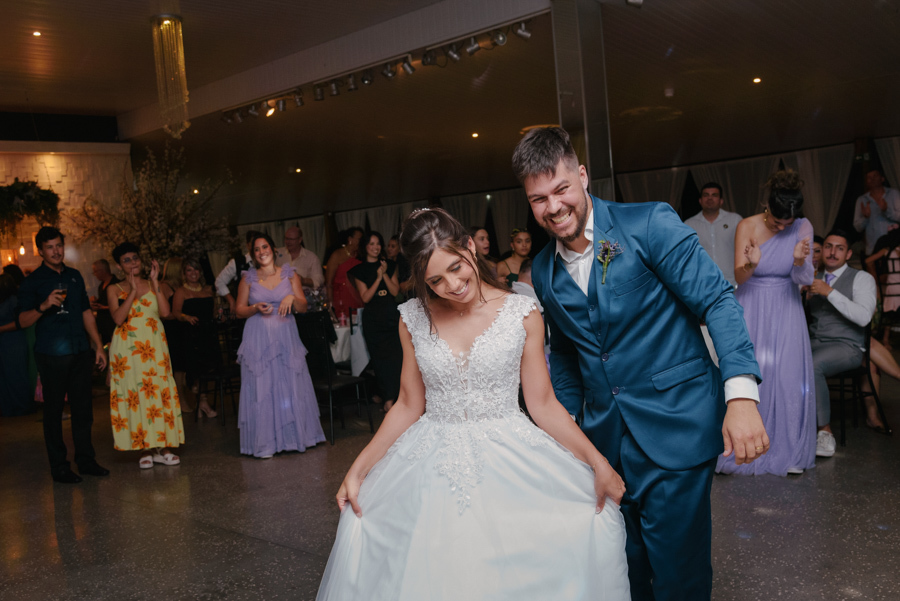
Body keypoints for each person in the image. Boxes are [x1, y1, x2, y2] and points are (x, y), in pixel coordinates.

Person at [317, 208, 630, 601]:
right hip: (430, 465)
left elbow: (544, 404)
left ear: (469, 247)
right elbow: (409, 404)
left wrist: (598, 463)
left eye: (455, 268)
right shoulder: (412, 317)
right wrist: (358, 469)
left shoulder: (522, 312)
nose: (452, 285)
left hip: (510, 457)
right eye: (435, 280)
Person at [515, 127, 764, 600]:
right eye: (538, 199)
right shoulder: (544, 271)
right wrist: (568, 420)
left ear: (583, 176)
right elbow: (568, 353)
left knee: (677, 576)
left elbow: (717, 301)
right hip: (605, 443)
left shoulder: (648, 223)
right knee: (625, 571)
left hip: (677, 423)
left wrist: (742, 395)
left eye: (561, 189)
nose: (553, 207)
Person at [723, 168, 815, 476]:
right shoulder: (746, 225)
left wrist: (800, 260)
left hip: (787, 306)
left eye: (786, 223)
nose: (781, 227)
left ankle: (788, 452)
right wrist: (753, 261)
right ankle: (744, 450)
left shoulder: (803, 227)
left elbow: (804, 280)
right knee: (754, 375)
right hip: (751, 305)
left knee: (788, 378)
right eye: (776, 222)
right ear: (768, 208)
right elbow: (739, 276)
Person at [16, 226, 109, 483]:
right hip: (51, 355)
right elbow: (23, 320)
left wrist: (98, 346)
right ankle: (59, 466)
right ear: (40, 251)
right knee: (54, 412)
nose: (56, 251)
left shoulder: (75, 277)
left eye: (59, 246)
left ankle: (86, 461)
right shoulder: (33, 281)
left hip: (79, 351)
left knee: (83, 410)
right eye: (50, 247)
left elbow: (85, 313)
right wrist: (43, 306)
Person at [235, 233, 325, 458]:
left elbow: (304, 307)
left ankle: (293, 438)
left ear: (273, 249)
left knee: (289, 384)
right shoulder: (248, 278)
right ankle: (265, 442)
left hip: (286, 334)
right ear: (253, 254)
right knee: (263, 387)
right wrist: (255, 307)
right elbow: (238, 310)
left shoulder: (289, 274)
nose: (261, 251)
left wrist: (292, 299)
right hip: (258, 336)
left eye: (264, 246)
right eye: (256, 249)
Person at [108, 242, 184, 469]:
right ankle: (145, 447)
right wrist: (131, 291)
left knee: (158, 392)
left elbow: (166, 312)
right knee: (136, 394)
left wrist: (154, 281)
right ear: (119, 266)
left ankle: (163, 446)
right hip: (127, 350)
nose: (133, 263)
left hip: (154, 346)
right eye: (127, 260)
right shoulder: (114, 289)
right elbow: (118, 319)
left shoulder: (155, 284)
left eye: (135, 258)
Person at [806, 230, 877, 458]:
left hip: (847, 346)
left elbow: (864, 317)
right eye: (828, 246)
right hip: (814, 341)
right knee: (780, 359)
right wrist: (800, 298)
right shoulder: (810, 277)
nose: (832, 252)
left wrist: (830, 293)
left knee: (813, 365)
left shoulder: (861, 278)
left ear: (848, 254)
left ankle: (824, 431)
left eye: (839, 248)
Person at [348, 232, 402, 412]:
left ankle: (398, 398)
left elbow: (395, 292)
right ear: (365, 247)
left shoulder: (391, 265)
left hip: (391, 315)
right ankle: (388, 399)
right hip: (373, 319)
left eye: (378, 243)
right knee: (380, 360)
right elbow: (366, 297)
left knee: (397, 358)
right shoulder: (359, 271)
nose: (375, 247)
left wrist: (385, 274)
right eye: (371, 244)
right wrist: (378, 277)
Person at [171, 257, 219, 418]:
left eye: (196, 269)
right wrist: (187, 317)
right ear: (184, 274)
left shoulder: (207, 290)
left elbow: (212, 312)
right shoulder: (181, 291)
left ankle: (201, 404)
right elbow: (176, 312)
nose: (193, 273)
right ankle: (203, 402)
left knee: (207, 370)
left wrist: (218, 314)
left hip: (208, 335)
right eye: (189, 270)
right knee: (196, 371)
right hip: (191, 336)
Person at [684, 182, 743, 286]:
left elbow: (744, 250)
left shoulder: (735, 220)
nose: (709, 198)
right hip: (703, 284)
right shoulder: (689, 224)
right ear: (700, 201)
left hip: (732, 283)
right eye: (706, 195)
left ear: (721, 201)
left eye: (714, 195)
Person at [215, 230, 284, 315]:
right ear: (248, 245)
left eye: (263, 246)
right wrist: (231, 301)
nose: (258, 246)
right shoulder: (237, 262)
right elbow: (219, 282)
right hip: (245, 311)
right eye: (253, 243)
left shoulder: (269, 259)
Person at [0, 273, 33, 416]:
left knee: (16, 374)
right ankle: (8, 408)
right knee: (5, 376)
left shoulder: (14, 300)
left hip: (13, 340)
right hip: (4, 341)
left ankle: (23, 407)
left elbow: (20, 322)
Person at [853, 168, 900, 255]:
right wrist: (865, 218)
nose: (872, 179)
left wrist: (887, 211)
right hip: (873, 247)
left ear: (882, 178)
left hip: (895, 246)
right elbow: (857, 227)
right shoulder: (862, 200)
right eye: (869, 177)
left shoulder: (894, 194)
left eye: (875, 176)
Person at [325, 227, 364, 321]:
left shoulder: (361, 255)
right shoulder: (337, 255)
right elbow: (328, 283)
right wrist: (330, 306)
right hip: (342, 299)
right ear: (350, 239)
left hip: (358, 297)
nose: (361, 242)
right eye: (359, 239)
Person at [90, 259, 119, 347]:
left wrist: (103, 307)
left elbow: (121, 305)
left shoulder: (117, 284)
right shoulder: (101, 285)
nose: (94, 275)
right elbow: (105, 300)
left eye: (95, 272)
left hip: (113, 326)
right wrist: (96, 301)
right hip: (104, 327)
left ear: (102, 271)